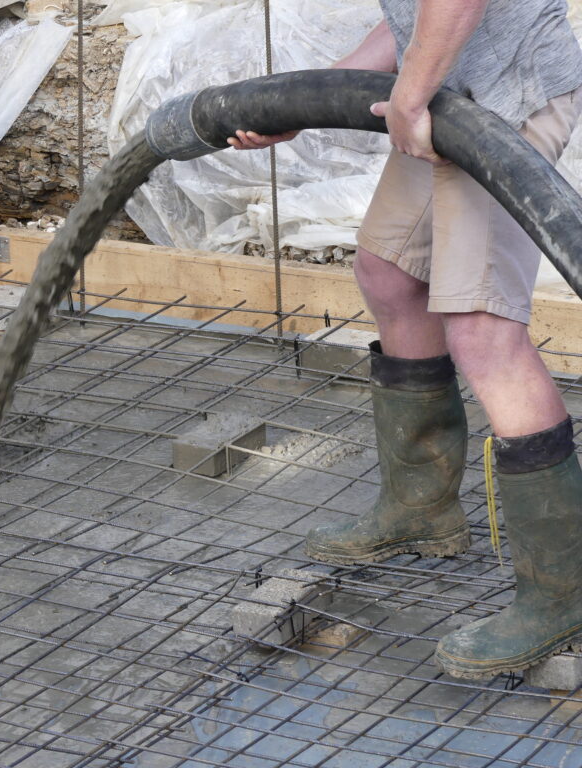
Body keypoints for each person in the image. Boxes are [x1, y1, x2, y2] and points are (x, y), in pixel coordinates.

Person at [229, 0, 582, 680]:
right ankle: (421, 508)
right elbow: (412, 13)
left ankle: (563, 590)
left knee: (482, 329)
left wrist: (410, 95)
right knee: (390, 274)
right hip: (449, 89)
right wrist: (309, 95)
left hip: (508, 97)